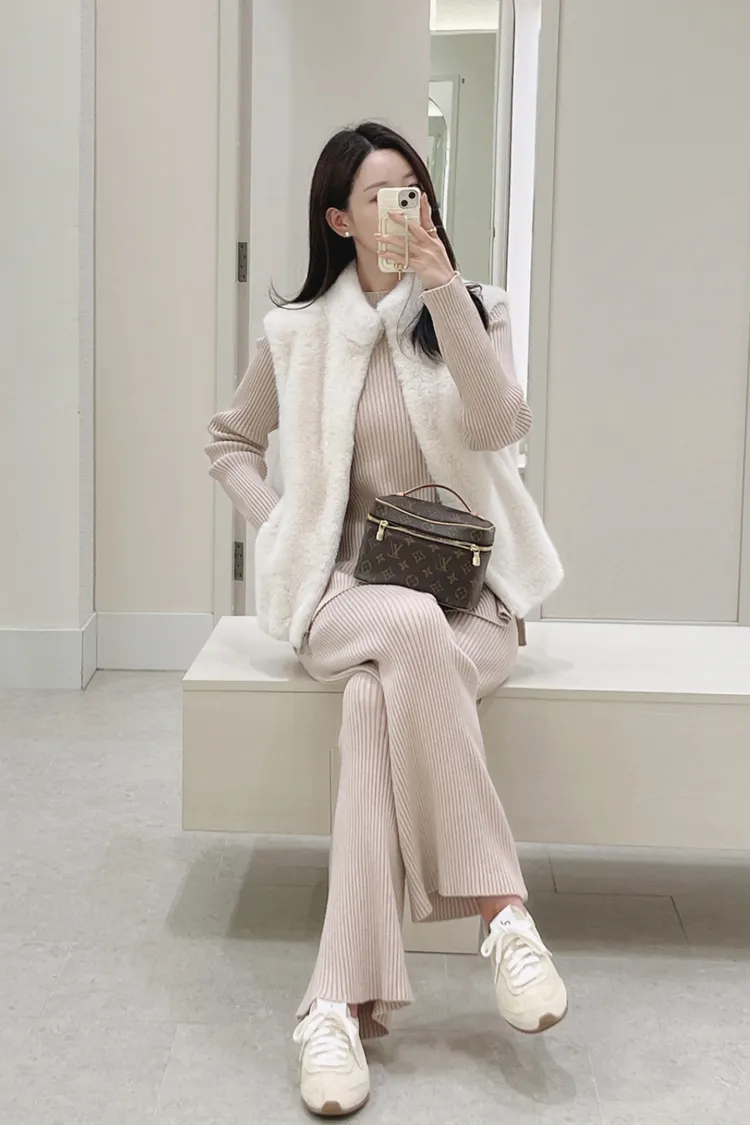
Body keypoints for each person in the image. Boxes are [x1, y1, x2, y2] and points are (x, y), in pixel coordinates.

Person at [206, 121, 566, 1118]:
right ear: (339, 220)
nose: (405, 206)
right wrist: (289, 529)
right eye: (379, 194)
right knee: (397, 625)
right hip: (343, 598)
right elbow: (229, 440)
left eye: (414, 187)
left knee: (372, 707)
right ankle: (502, 912)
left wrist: (445, 293)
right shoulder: (298, 337)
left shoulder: (476, 310)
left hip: (470, 605)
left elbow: (502, 427)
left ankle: (334, 1006)